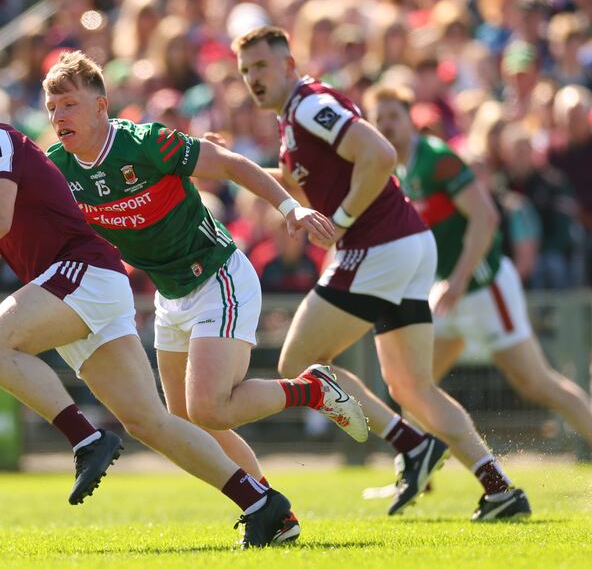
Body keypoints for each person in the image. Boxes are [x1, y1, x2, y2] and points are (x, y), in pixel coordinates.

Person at [0, 55, 299, 548]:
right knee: (151, 421)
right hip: (85, 285)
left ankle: (86, 438)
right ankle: (262, 504)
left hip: (80, 274)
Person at [41, 50, 368, 513]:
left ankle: (312, 389)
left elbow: (232, 164)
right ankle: (273, 508)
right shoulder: (58, 169)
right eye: (52, 108)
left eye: (69, 104)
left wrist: (289, 209)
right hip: (170, 295)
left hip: (218, 276)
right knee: (186, 420)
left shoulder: (147, 143)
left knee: (209, 408)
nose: (58, 116)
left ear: (101, 105)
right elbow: (1, 212)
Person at [233, 25, 531, 520]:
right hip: (406, 243)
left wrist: (343, 220)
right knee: (412, 387)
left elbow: (380, 155)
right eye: (246, 71)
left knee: (298, 362)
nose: (252, 79)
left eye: (261, 66)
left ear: (288, 65)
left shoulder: (306, 103)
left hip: (379, 244)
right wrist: (226, 165)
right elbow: (303, 186)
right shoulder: (294, 118)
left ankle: (410, 443)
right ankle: (499, 487)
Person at [364, 84, 592, 449]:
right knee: (411, 387)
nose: (387, 125)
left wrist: (457, 279)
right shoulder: (397, 172)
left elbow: (485, 219)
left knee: (537, 384)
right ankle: (416, 475)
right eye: (380, 119)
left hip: (484, 287)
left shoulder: (437, 158)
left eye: (394, 116)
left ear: (410, 119)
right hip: (450, 290)